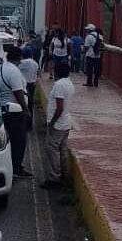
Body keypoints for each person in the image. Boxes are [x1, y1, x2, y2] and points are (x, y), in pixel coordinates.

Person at [0, 45, 31, 178]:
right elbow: (18, 92)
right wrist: (26, 110)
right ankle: (16, 169)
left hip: (4, 109)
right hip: (15, 111)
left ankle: (10, 166)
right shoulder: (14, 71)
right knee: (19, 142)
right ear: (19, 58)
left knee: (8, 142)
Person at [41, 61, 75, 189]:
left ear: (58, 71)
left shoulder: (59, 85)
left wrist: (52, 122)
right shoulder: (69, 83)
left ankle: (54, 177)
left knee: (52, 150)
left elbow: (59, 107)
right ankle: (64, 176)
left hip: (58, 124)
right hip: (66, 122)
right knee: (62, 150)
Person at [19, 46, 39, 125]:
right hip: (32, 85)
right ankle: (29, 123)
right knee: (30, 104)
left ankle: (22, 121)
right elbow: (37, 75)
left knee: (22, 103)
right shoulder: (35, 63)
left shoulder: (22, 62)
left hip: (23, 85)